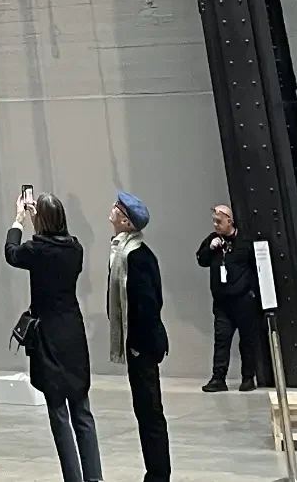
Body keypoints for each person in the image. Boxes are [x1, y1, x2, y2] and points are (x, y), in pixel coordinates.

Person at [5, 192, 102, 482]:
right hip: (73, 330)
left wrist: (18, 220)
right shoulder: (75, 248)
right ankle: (94, 477)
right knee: (82, 410)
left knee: (59, 413)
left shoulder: (37, 250)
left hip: (48, 334)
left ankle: (73, 477)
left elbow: (11, 252)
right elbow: (52, 241)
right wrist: (40, 222)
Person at [108, 191, 170, 482]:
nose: (112, 209)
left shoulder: (136, 256)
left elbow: (148, 304)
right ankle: (154, 471)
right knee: (144, 411)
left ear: (126, 221)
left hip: (142, 346)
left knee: (150, 413)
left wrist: (134, 344)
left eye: (117, 208)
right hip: (137, 345)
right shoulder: (122, 252)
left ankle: (159, 474)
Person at [197, 204, 262, 392]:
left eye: (219, 222)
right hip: (222, 303)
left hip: (243, 300)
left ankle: (248, 378)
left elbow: (256, 267)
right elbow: (201, 260)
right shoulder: (212, 240)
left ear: (229, 221)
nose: (216, 225)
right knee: (222, 339)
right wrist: (210, 249)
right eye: (214, 222)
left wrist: (254, 294)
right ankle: (218, 378)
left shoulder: (245, 241)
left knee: (247, 340)